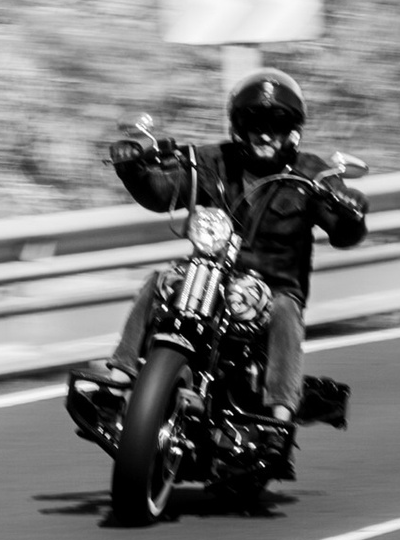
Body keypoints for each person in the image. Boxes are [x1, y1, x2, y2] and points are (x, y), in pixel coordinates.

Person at [106, 70, 366, 428]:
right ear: (239, 125)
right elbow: (163, 191)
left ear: (291, 129)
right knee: (159, 282)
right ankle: (117, 383)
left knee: (285, 310)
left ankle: (279, 415)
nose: (264, 133)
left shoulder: (313, 175)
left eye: (275, 124)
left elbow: (343, 233)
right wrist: (133, 169)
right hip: (208, 277)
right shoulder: (210, 160)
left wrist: (351, 210)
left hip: (271, 290)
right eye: (254, 121)